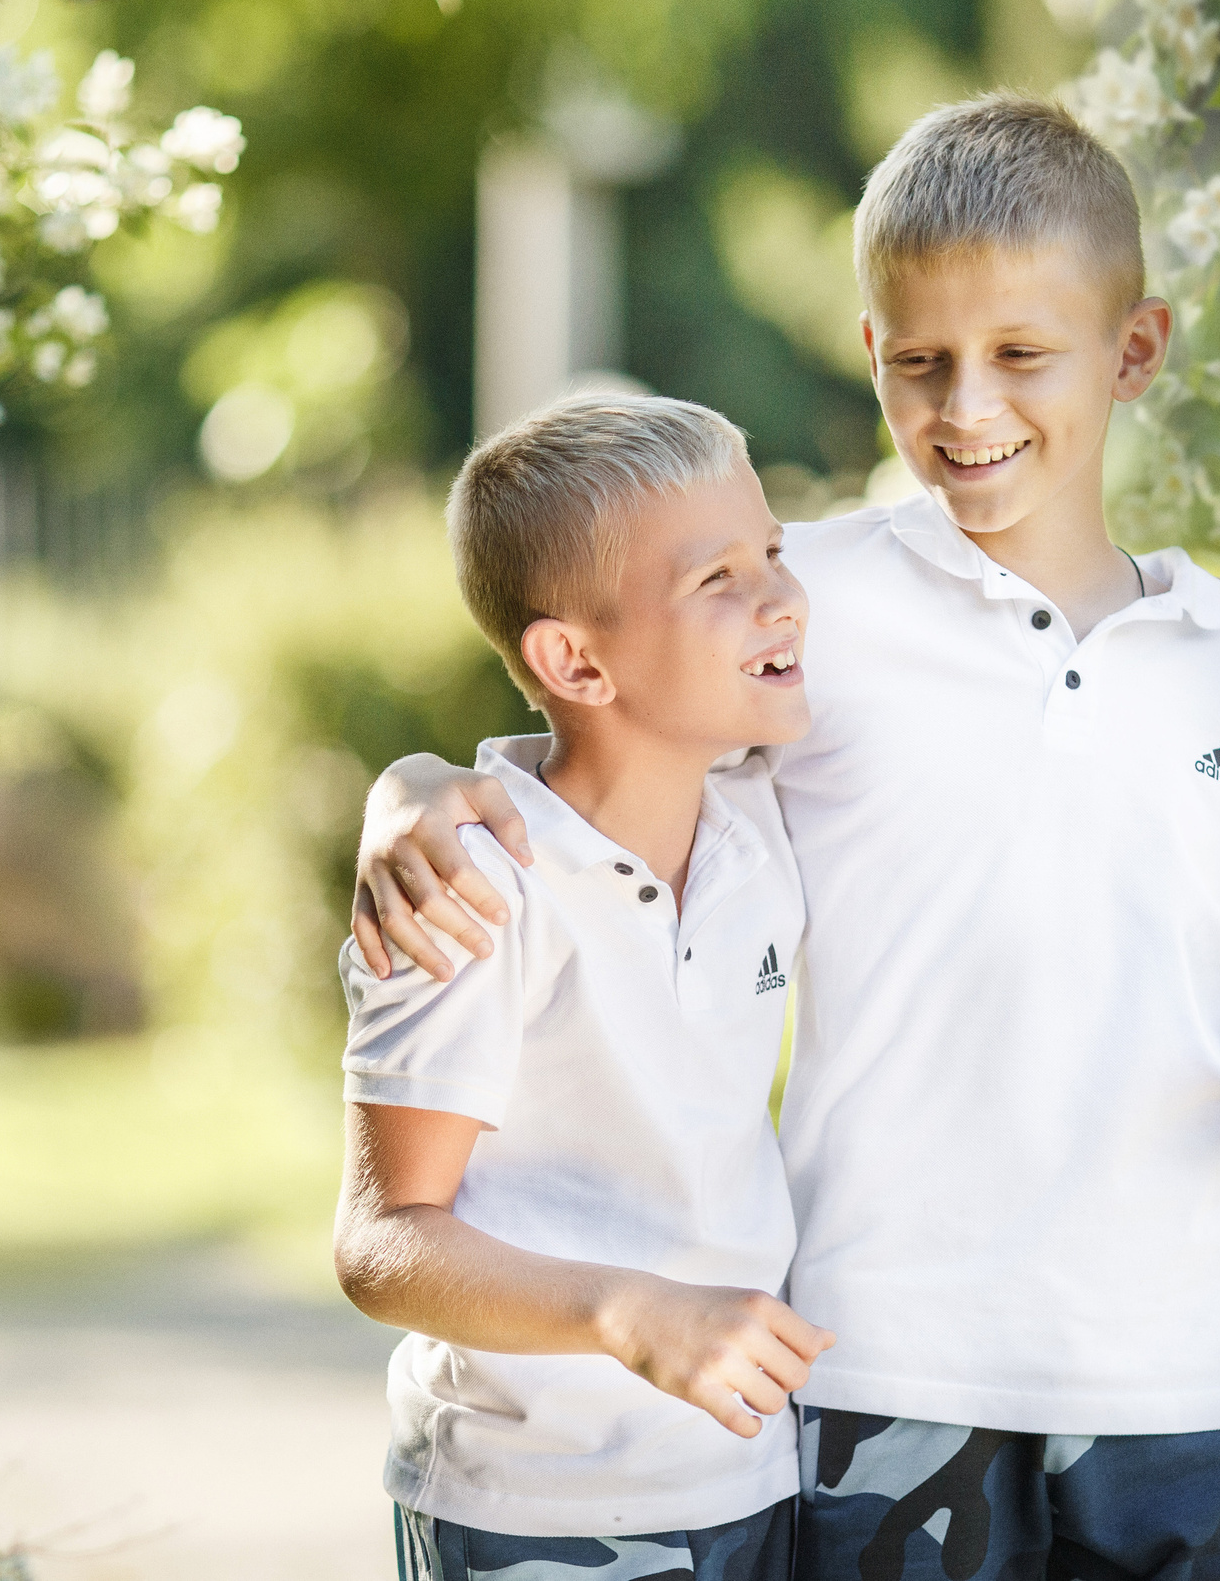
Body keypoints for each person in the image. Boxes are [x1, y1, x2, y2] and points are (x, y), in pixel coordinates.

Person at [351, 93, 1220, 1580]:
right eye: (924, 362)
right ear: (872, 354)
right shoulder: (809, 601)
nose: (969, 405)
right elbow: (592, 704)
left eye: (1020, 356)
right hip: (884, 1356)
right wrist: (414, 789)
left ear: (1134, 351)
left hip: (1188, 1363)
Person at [332, 393, 836, 1581]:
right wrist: (632, 1311)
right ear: (572, 659)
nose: (781, 599)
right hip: (532, 1509)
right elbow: (380, 1242)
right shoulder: (463, 885)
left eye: (774, 553)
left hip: (752, 1472)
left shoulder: (763, 820)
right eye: (718, 577)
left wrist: (1216, 641)